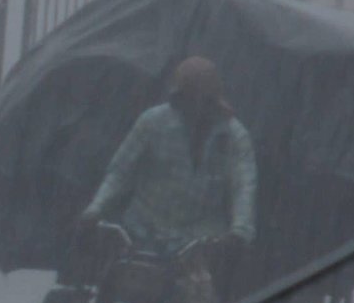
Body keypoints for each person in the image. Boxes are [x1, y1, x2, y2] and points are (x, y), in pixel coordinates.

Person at [78, 55, 257, 265]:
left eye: (204, 100)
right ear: (179, 97)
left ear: (214, 100)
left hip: (198, 244)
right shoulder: (152, 123)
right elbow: (120, 172)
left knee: (199, 294)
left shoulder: (234, 136)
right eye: (190, 98)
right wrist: (94, 210)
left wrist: (239, 233)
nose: (197, 107)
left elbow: (243, 187)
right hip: (139, 234)